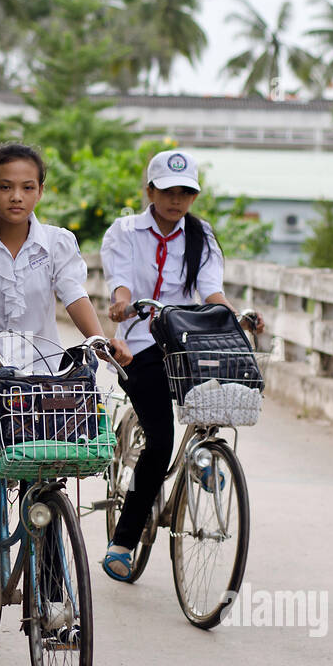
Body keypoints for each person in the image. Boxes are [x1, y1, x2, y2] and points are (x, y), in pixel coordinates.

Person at [0, 143, 132, 557]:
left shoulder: (56, 243)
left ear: (40, 191)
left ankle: (55, 601)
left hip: (39, 371)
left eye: (27, 187)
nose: (16, 196)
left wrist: (100, 340)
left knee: (48, 471)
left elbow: (74, 295)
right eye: (5, 186)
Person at [98, 148, 264, 582]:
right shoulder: (125, 231)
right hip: (138, 344)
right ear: (149, 191)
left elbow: (211, 291)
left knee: (217, 398)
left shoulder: (201, 235)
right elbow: (118, 283)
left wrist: (235, 315)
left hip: (187, 340)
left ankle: (203, 457)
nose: (176, 200)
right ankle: (123, 541)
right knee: (159, 439)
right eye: (168, 191)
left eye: (186, 192)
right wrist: (120, 306)